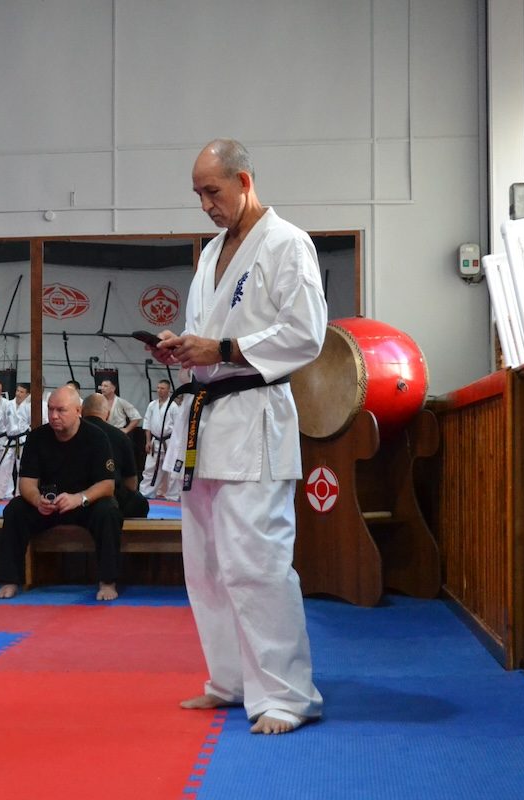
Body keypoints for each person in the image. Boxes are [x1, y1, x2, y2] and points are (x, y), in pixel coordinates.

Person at [149, 138, 327, 735]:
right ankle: (230, 680)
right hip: (205, 422)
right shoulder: (210, 254)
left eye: (213, 191)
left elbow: (306, 334)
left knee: (258, 563)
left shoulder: (287, 243)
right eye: (198, 194)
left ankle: (286, 695)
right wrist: (183, 346)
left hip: (254, 416)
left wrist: (222, 349)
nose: (205, 204)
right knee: (205, 565)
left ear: (244, 181)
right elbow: (207, 333)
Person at [0, 386, 121, 601]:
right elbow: (26, 483)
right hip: (48, 506)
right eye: (50, 409)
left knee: (108, 510)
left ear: (78, 411)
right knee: (15, 509)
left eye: (61, 410)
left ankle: (107, 581)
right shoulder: (37, 438)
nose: (53, 416)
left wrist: (79, 498)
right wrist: (37, 500)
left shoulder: (96, 437)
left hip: (84, 505)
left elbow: (107, 485)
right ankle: (9, 579)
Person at [82, 393, 150, 518]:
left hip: (74, 497)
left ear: (81, 411)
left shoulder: (71, 433)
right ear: (108, 414)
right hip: (111, 499)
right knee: (138, 502)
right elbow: (131, 483)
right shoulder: (119, 436)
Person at [140, 378, 179, 499]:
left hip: (169, 442)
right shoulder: (152, 405)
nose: (159, 390)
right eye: (158, 388)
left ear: (168, 390)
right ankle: (146, 493)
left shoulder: (173, 406)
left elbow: (178, 427)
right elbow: (147, 423)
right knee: (149, 469)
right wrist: (147, 441)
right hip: (155, 441)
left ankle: (172, 496)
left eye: (162, 388)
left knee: (172, 470)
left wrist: (176, 445)